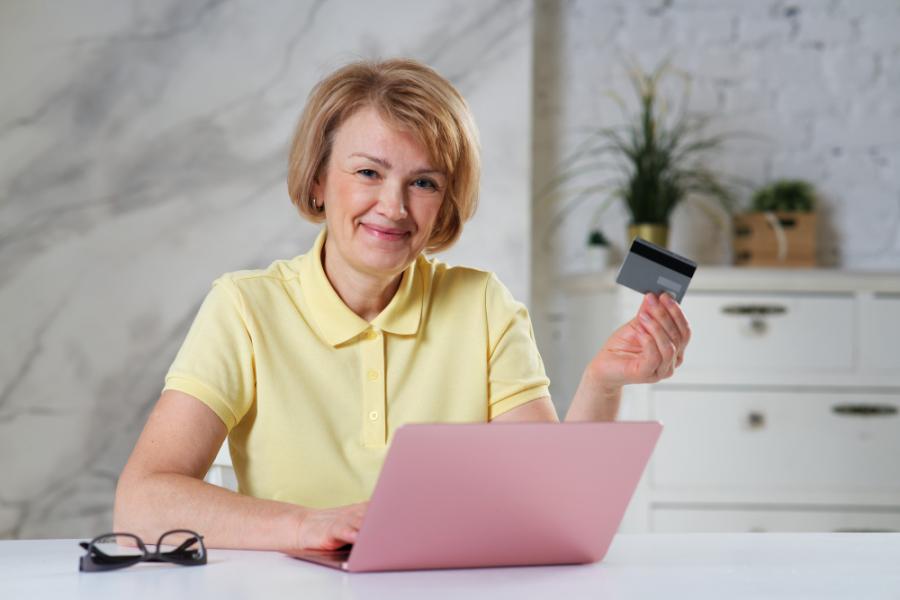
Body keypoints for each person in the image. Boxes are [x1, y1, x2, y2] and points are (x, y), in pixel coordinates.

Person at [114, 58, 690, 554]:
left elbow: (554, 507)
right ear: (317, 181)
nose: (392, 207)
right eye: (368, 172)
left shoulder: (482, 304)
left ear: (444, 204)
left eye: (424, 183)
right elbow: (141, 504)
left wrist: (603, 383)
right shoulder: (243, 307)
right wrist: (308, 525)